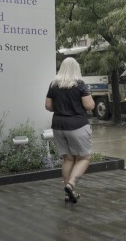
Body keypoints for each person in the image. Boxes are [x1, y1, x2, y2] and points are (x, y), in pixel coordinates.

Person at [45, 57, 95, 204]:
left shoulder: (53, 85)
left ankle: (68, 194)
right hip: (77, 125)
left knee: (68, 158)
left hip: (59, 125)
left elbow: (48, 106)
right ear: (76, 69)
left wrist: (61, 108)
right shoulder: (80, 84)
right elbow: (89, 106)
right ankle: (70, 184)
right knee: (84, 158)